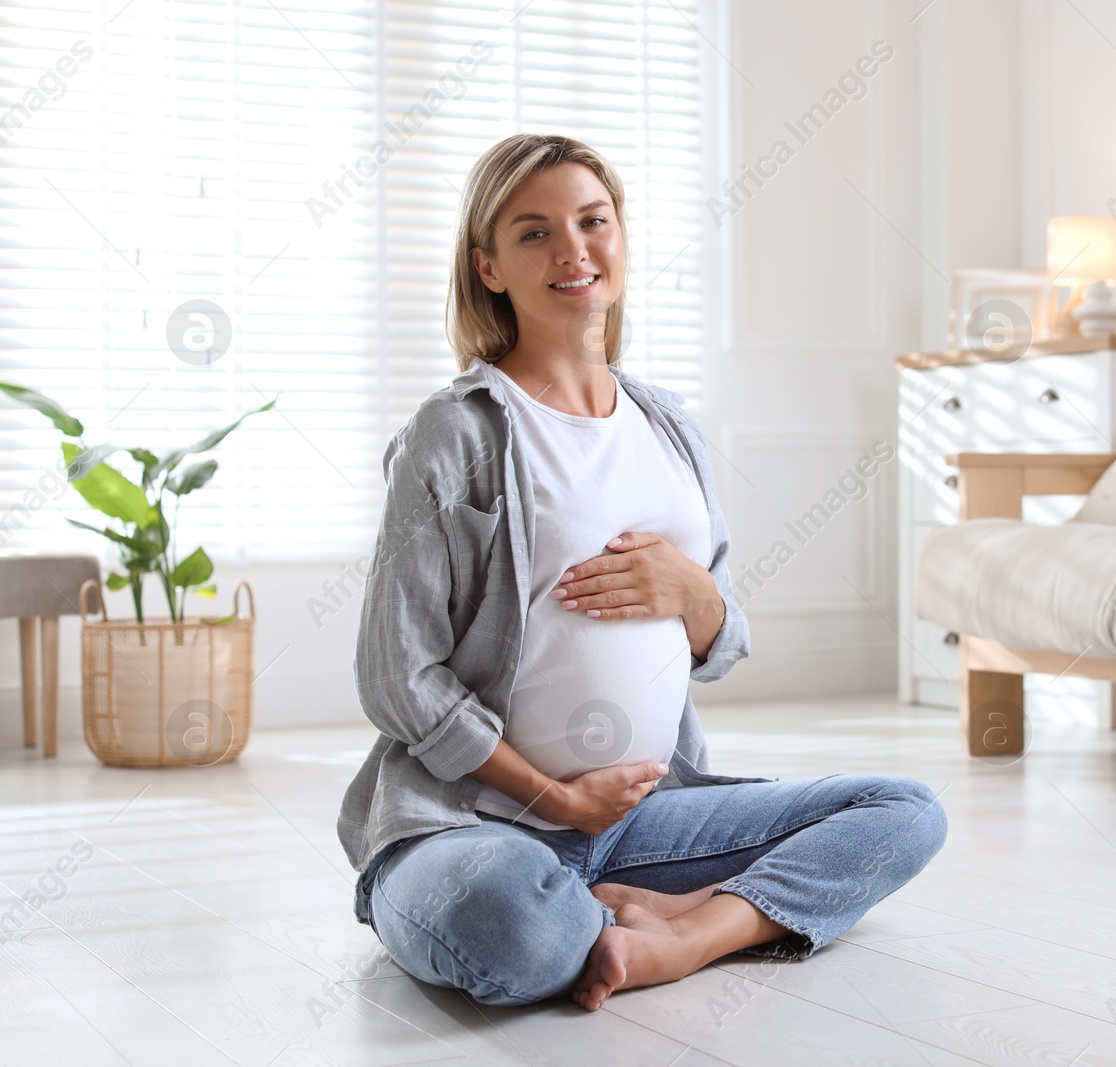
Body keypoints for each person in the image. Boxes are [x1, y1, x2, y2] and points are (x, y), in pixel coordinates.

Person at [336, 133, 947, 1010]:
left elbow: (720, 635)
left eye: (593, 221)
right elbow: (396, 677)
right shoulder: (457, 431)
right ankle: (620, 916)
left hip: (642, 820)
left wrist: (694, 594)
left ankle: (690, 935)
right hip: (477, 824)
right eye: (535, 232)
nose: (573, 250)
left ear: (620, 237)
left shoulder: (668, 425)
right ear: (489, 266)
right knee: (512, 921)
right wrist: (553, 793)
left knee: (905, 811)